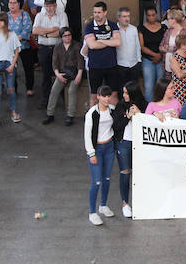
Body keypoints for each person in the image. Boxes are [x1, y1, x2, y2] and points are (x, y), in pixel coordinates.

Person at [112, 81, 146, 218]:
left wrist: (140, 113)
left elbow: (150, 121)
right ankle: (125, 203)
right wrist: (128, 117)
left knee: (141, 173)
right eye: (123, 92)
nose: (124, 95)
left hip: (140, 144)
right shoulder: (120, 105)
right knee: (125, 172)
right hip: (124, 143)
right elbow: (116, 125)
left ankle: (141, 201)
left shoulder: (144, 104)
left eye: (127, 92)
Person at [84, 85, 117, 225]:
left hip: (109, 147)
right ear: (98, 96)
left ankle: (103, 205)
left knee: (107, 178)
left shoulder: (112, 110)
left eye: (108, 96)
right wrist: (91, 153)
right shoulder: (91, 113)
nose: (106, 98)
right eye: (104, 96)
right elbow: (87, 135)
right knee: (97, 181)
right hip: (97, 149)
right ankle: (92, 212)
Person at [84, 1, 122, 105]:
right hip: (95, 66)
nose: (96, 15)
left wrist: (101, 40)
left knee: (113, 95)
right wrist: (110, 41)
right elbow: (92, 45)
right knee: (94, 96)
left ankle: (115, 120)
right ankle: (93, 120)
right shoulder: (89, 26)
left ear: (105, 12)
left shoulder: (113, 25)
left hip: (111, 65)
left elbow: (118, 42)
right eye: (95, 12)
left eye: (99, 12)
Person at [43, 27, 83, 125]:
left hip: (75, 72)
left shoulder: (77, 45)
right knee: (54, 90)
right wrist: (58, 74)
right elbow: (55, 63)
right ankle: (50, 114)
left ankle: (70, 115)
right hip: (63, 72)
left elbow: (80, 62)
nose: (68, 38)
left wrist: (79, 74)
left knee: (71, 91)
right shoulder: (58, 47)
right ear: (61, 37)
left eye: (69, 35)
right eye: (65, 36)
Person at [138, 6, 167, 102]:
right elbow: (142, 47)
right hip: (147, 59)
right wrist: (155, 55)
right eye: (149, 15)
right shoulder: (141, 28)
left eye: (153, 15)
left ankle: (159, 105)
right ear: (146, 16)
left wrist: (160, 55)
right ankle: (149, 108)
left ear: (156, 15)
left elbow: (166, 43)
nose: (151, 17)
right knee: (149, 85)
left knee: (160, 85)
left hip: (161, 58)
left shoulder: (163, 27)